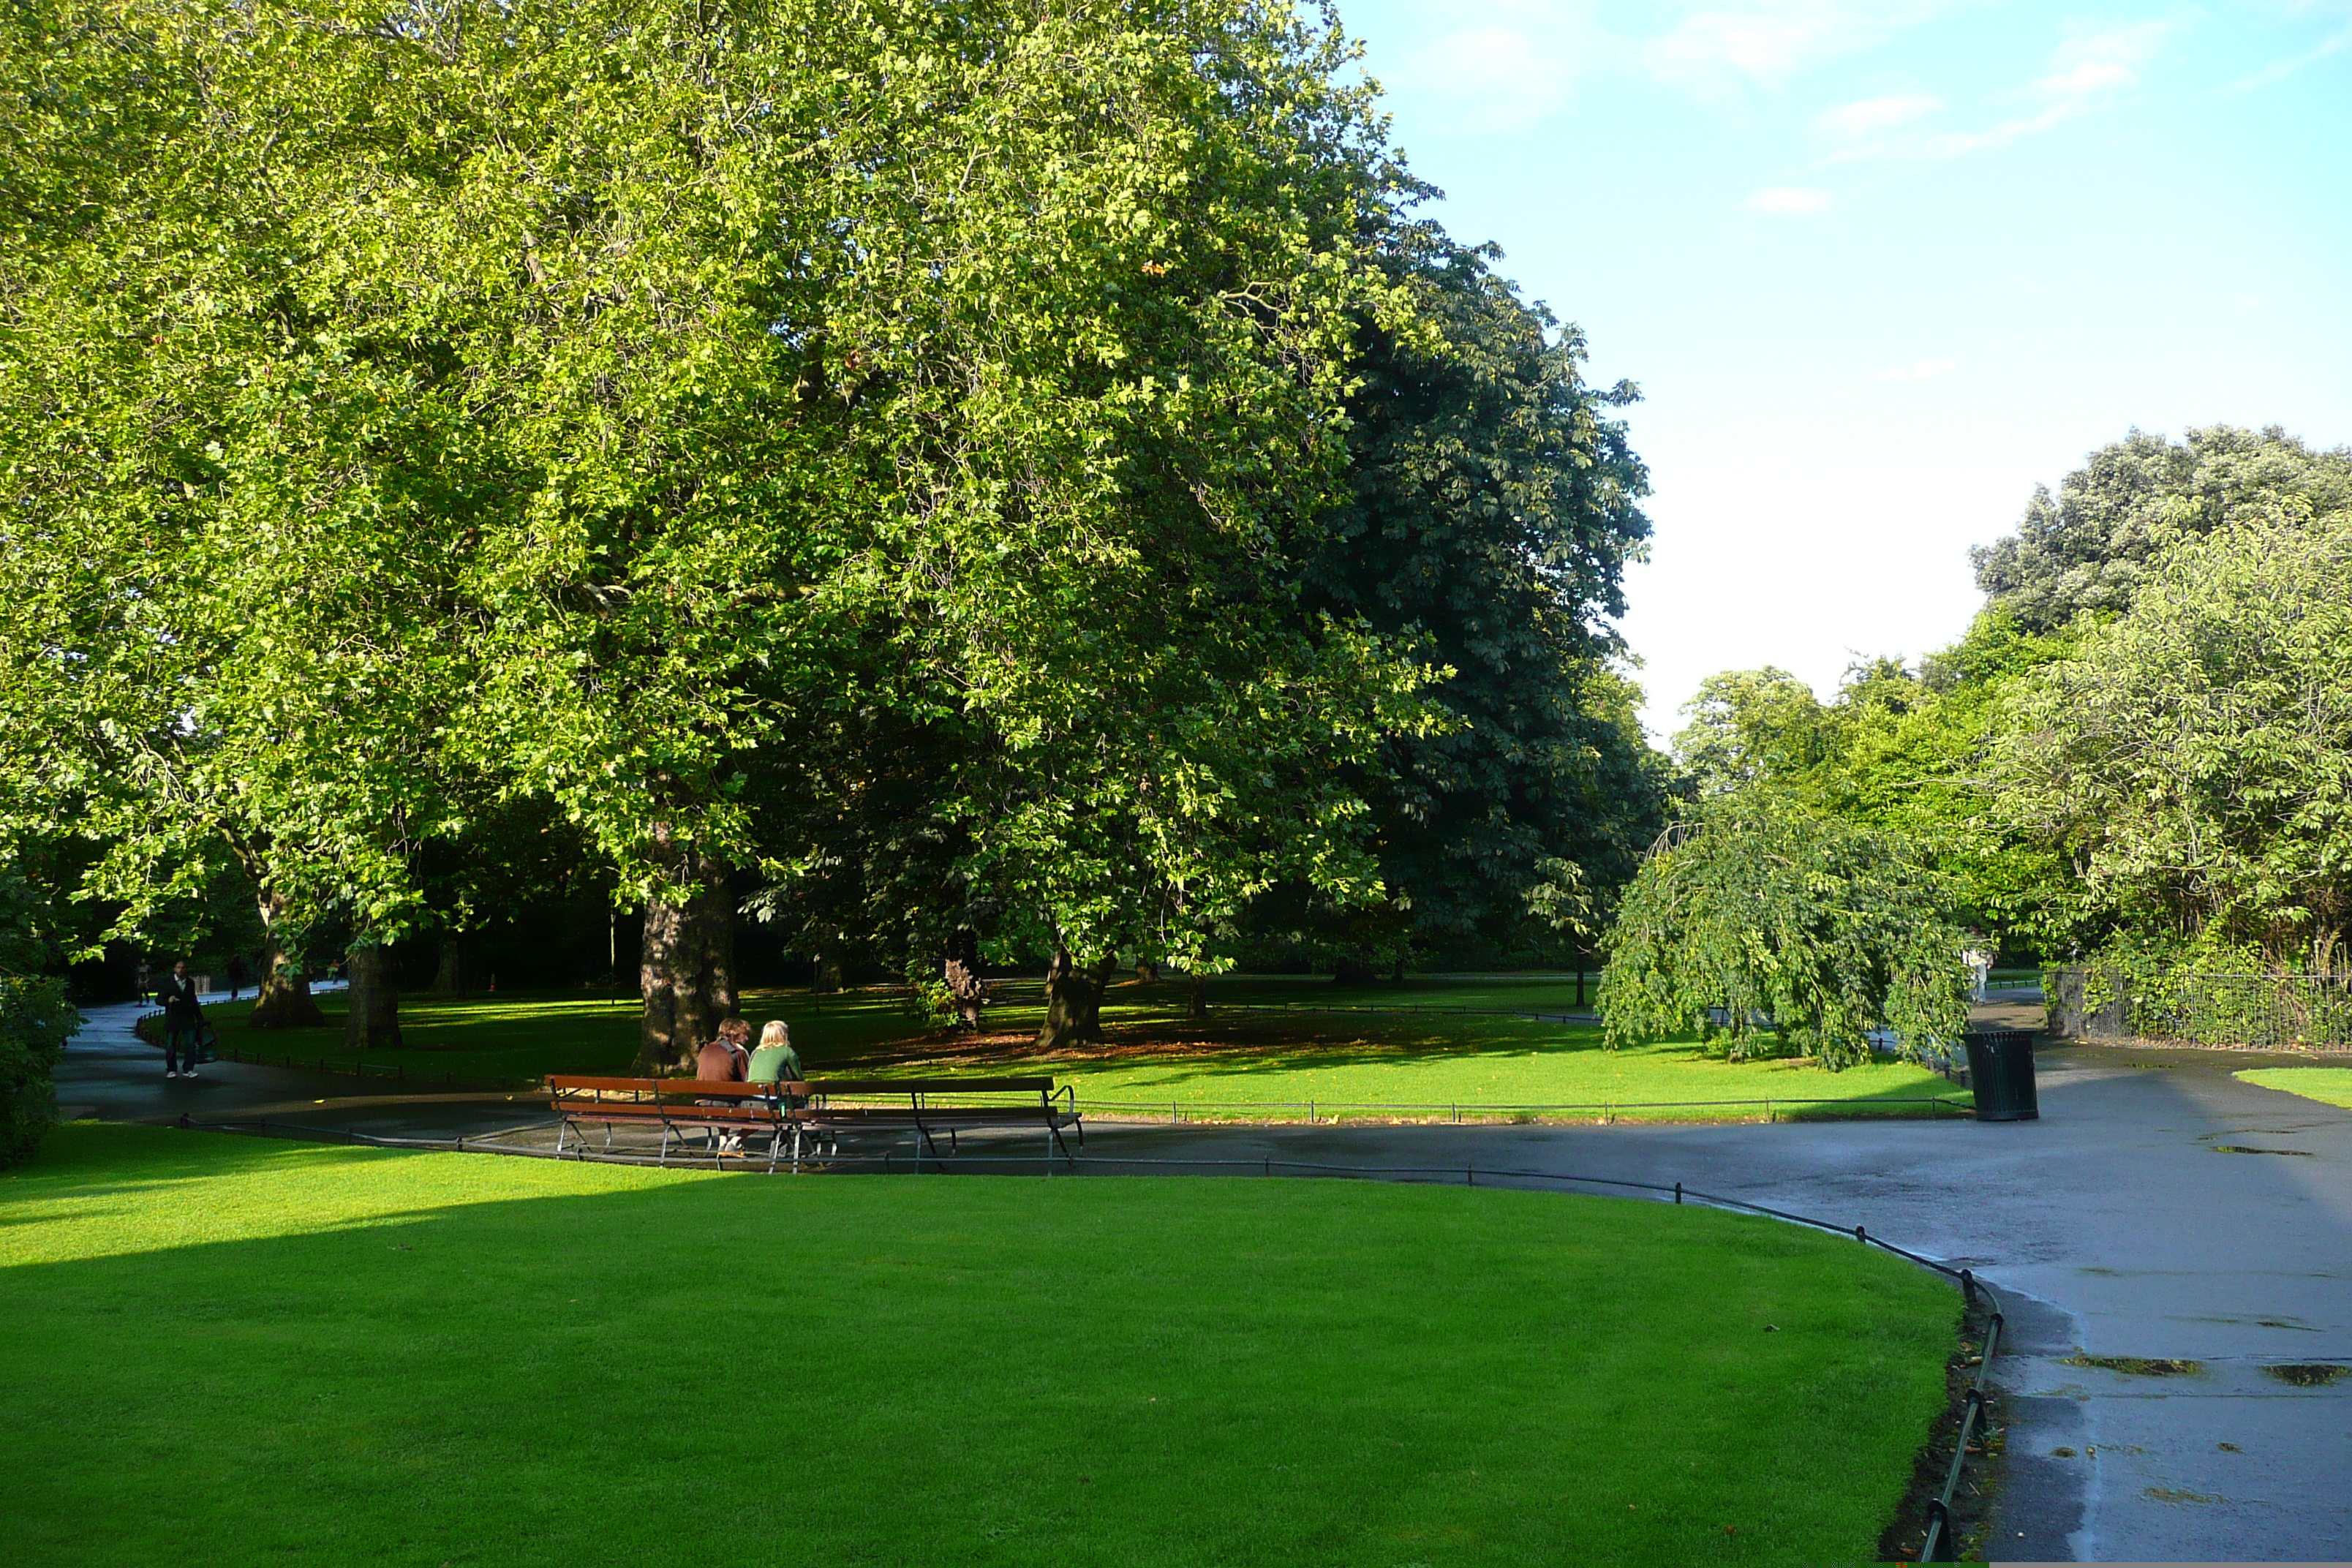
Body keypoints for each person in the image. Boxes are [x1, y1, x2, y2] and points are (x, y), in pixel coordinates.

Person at [695, 1019, 753, 1153]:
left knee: (722, 1099)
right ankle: (735, 1142)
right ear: (732, 1033)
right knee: (763, 1111)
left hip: (703, 1105)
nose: (747, 1038)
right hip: (724, 1105)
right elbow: (749, 1082)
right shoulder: (738, 1052)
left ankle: (723, 1141)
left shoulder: (705, 1049)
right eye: (744, 1034)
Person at [155, 960, 204, 1080]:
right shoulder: (168, 983)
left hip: (188, 1017)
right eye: (178, 967)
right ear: (175, 969)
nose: (181, 970)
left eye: (183, 968)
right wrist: (168, 1001)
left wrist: (199, 1018)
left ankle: (189, 1069)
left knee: (190, 1044)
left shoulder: (190, 983)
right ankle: (171, 1069)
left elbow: (193, 1001)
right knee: (171, 1045)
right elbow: (158, 1000)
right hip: (173, 1017)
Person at [747, 1019, 804, 1103]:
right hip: (773, 1099)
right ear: (784, 1035)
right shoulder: (787, 1051)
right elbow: (799, 1079)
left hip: (753, 1098)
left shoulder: (756, 1052)